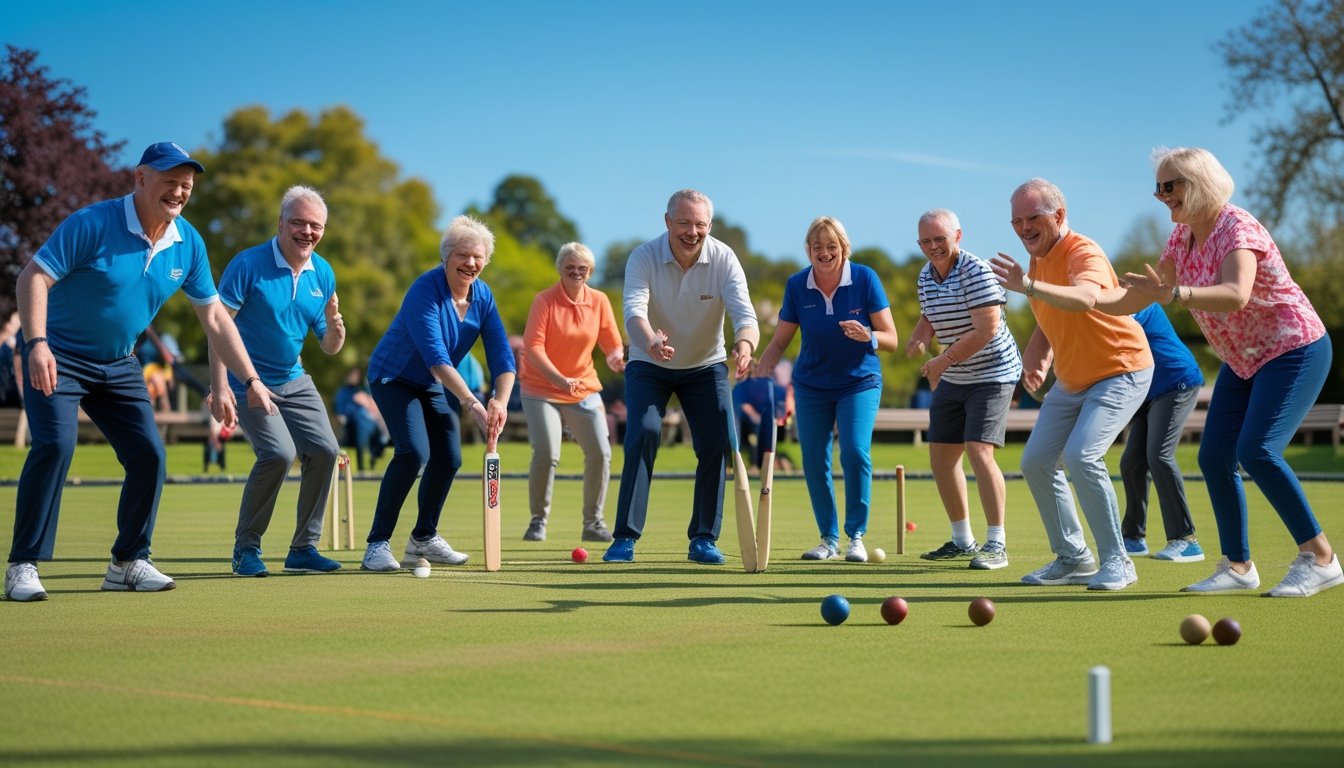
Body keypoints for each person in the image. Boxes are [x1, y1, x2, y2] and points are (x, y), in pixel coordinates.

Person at [4, 142, 276, 603]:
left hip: (119, 363)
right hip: (59, 355)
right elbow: (32, 277)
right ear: (141, 178)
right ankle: (22, 564)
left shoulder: (187, 243)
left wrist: (249, 379)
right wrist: (36, 344)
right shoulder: (93, 223)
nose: (179, 191)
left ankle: (128, 561)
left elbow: (215, 319)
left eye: (186, 185)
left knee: (150, 455)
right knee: (55, 445)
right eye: (169, 180)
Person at [1113, 146, 1340, 597]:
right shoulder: (1180, 238)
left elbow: (1236, 293)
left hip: (1294, 347)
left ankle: (1321, 558)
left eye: (1169, 185)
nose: (1160, 196)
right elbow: (1143, 297)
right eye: (1157, 187)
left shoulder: (1238, 226)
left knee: (1258, 451)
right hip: (1243, 359)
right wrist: (1061, 296)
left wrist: (1174, 294)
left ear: (1197, 183)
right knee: (1214, 457)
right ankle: (1238, 567)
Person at [988, 178, 1153, 591]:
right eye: (1016, 221)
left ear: (1059, 216)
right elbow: (1052, 315)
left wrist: (1025, 286)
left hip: (1121, 368)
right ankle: (1073, 556)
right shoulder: (1038, 262)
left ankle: (1118, 562)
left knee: (1082, 456)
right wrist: (1036, 357)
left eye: (1033, 218)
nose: (1024, 228)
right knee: (1036, 462)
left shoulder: (1083, 251)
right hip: (1073, 378)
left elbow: (1083, 298)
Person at [602, 190, 758, 565]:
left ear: (710, 226)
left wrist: (745, 346)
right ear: (668, 221)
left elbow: (745, 314)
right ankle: (624, 538)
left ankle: (703, 538)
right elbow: (633, 313)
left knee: (716, 440)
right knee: (644, 432)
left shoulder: (724, 258)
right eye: (684, 223)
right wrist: (650, 341)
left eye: (700, 224)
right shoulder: (643, 256)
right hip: (649, 361)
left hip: (706, 365)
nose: (692, 232)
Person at [359, 215, 515, 572]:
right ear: (446, 257)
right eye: (462, 255)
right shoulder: (424, 290)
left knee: (449, 458)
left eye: (478, 257)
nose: (471, 263)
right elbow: (436, 360)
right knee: (414, 452)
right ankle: (376, 544)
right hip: (393, 376)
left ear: (486, 261)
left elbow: (503, 359)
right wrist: (474, 403)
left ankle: (423, 539)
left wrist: (501, 403)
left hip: (431, 383)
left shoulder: (483, 297)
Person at [211, 185, 346, 577]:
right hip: (246, 379)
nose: (307, 231)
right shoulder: (247, 264)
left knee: (324, 450)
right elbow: (218, 327)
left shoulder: (323, 272)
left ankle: (304, 548)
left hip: (294, 378)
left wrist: (337, 324)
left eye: (315, 225)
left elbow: (330, 346)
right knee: (278, 454)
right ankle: (246, 549)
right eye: (299, 223)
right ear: (281, 223)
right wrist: (220, 387)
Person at [756, 216, 897, 563]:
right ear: (808, 250)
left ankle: (856, 536)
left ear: (843, 249)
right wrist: (758, 368)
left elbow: (892, 338)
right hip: (811, 385)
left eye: (831, 246)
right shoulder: (797, 285)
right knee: (814, 461)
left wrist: (870, 336)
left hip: (858, 382)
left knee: (854, 452)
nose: (824, 253)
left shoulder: (864, 278)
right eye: (817, 247)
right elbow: (780, 342)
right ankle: (828, 539)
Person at [906, 209, 1023, 570]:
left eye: (939, 238)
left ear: (958, 235)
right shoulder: (925, 276)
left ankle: (996, 544)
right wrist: (919, 338)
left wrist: (942, 360)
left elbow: (986, 329)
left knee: (978, 449)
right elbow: (929, 315)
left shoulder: (977, 271)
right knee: (941, 456)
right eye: (926, 241)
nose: (933, 247)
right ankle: (962, 541)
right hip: (957, 374)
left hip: (993, 372)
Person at [518, 242, 625, 543]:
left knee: (601, 454)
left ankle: (593, 523)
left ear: (590, 272)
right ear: (560, 270)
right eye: (570, 268)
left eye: (583, 269)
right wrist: (559, 378)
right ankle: (538, 520)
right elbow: (533, 348)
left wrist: (616, 358)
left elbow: (611, 341)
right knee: (548, 453)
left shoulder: (599, 300)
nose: (576, 273)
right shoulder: (545, 301)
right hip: (541, 387)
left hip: (583, 387)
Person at [1119, 304, 1205, 562]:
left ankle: (1186, 540)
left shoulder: (1138, 300)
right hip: (1147, 394)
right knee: (1131, 463)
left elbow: (1119, 325)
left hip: (1176, 382)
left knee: (1159, 455)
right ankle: (1133, 538)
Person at [335, 366, 388, 471]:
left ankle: (372, 454)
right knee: (362, 420)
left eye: (356, 375)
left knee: (370, 421)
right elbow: (341, 409)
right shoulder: (343, 392)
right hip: (352, 422)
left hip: (369, 421)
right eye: (352, 375)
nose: (354, 377)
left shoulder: (362, 390)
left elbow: (372, 405)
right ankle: (365, 460)